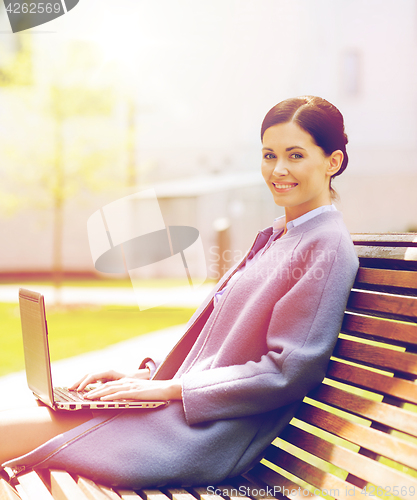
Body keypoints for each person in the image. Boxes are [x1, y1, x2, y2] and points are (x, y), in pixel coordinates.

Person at [1, 96, 359, 488]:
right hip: (177, 413)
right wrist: (145, 376)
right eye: (269, 155)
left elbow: (287, 372)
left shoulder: (325, 245)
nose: (278, 169)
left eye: (295, 155)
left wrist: (168, 388)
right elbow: (218, 349)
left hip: (195, 433)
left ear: (333, 162)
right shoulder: (283, 235)